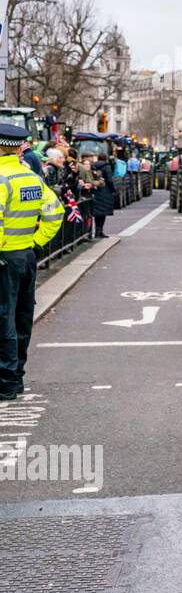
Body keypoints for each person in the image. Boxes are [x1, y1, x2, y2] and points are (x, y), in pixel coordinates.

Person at [0, 123, 65, 400]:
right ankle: (16, 377)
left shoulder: (2, 179)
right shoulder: (30, 178)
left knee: (4, 320)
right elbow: (55, 212)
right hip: (26, 255)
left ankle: (5, 382)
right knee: (22, 318)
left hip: (5, 259)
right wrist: (36, 242)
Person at [90, 152, 115, 238]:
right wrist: (113, 189)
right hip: (105, 191)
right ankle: (100, 231)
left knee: (97, 213)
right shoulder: (107, 167)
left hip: (96, 191)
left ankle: (97, 230)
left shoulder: (93, 166)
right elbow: (110, 180)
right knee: (103, 213)